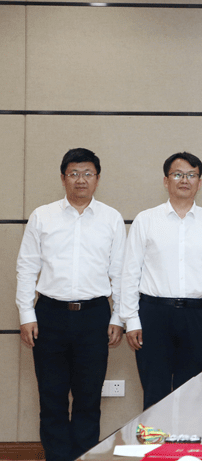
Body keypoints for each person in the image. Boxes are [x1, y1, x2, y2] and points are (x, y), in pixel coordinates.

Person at [15, 148, 126, 461]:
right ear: (63, 178)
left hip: (94, 316)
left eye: (88, 174)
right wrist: (26, 314)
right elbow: (26, 267)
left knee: (88, 398)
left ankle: (84, 456)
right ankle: (57, 456)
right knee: (51, 397)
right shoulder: (43, 215)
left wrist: (118, 317)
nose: (81, 180)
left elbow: (120, 272)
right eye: (74, 173)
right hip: (49, 315)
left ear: (97, 179)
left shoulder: (111, 218)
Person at [120, 152, 202, 410]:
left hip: (198, 316)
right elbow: (130, 271)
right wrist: (131, 319)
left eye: (191, 175)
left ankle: (185, 450)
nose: (184, 180)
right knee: (154, 391)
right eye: (178, 174)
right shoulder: (146, 219)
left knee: (192, 392)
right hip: (154, 314)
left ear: (199, 183)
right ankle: (155, 449)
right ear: (166, 181)